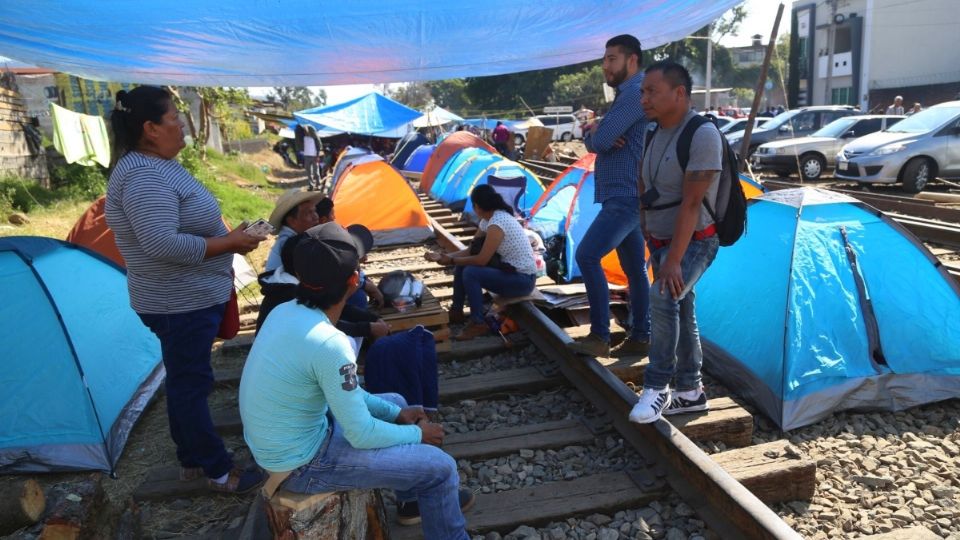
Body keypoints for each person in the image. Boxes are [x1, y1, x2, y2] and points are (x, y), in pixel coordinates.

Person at [239, 223, 474, 538]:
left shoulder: (285, 311)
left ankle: (412, 502)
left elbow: (347, 393)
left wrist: (395, 416)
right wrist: (417, 434)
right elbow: (361, 433)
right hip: (302, 466)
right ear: (353, 281)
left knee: (397, 403)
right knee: (441, 468)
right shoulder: (328, 343)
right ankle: (432, 496)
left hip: (282, 446)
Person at [105, 86, 266, 493]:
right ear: (150, 128)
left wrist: (229, 236)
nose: (182, 127)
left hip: (185, 296)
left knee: (184, 377)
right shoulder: (143, 176)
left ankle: (191, 458)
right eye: (174, 119)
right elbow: (162, 243)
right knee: (191, 382)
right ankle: (219, 469)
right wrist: (229, 243)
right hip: (178, 301)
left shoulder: (154, 165)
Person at [628, 61, 722, 424]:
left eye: (652, 91)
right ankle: (690, 391)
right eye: (642, 92)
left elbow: (692, 203)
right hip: (661, 237)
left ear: (679, 93)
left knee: (664, 295)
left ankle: (657, 387)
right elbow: (643, 182)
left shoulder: (702, 134)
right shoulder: (652, 130)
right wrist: (648, 232)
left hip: (696, 239)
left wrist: (673, 260)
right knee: (681, 307)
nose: (644, 99)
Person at [567, 34, 651, 358]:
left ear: (631, 60)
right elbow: (604, 136)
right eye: (605, 59)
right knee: (634, 269)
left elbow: (599, 140)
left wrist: (595, 133)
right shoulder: (629, 94)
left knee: (587, 256)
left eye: (612, 59)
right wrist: (602, 132)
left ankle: (600, 335)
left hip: (625, 195)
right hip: (629, 193)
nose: (605, 66)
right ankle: (641, 335)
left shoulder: (632, 93)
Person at [425, 185, 538, 341]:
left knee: (471, 273)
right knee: (463, 265)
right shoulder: (489, 219)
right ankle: (456, 311)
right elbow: (471, 250)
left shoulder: (497, 223)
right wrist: (444, 256)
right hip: (511, 273)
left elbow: (481, 259)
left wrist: (450, 259)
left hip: (523, 280)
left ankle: (478, 323)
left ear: (477, 206)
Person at [264, 188, 324, 273]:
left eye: (314, 211)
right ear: (291, 221)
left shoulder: (295, 237)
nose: (316, 217)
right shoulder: (289, 244)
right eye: (308, 213)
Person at [302, 125, 322, 191]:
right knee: (308, 172)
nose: (305, 131)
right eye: (304, 130)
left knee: (316, 171)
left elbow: (319, 147)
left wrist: (318, 155)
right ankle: (311, 185)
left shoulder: (315, 138)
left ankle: (318, 185)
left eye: (306, 130)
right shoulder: (304, 137)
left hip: (314, 156)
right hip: (306, 156)